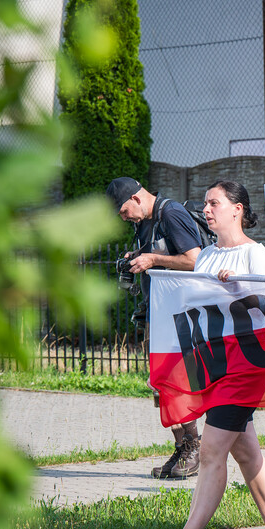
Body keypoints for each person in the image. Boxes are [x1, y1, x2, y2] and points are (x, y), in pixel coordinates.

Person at [146, 180, 265, 529]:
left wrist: (240, 286)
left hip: (246, 366)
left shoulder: (256, 254)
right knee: (244, 449)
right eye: (206, 204)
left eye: (214, 203)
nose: (206, 209)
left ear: (237, 208)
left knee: (212, 451)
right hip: (214, 364)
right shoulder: (207, 255)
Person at [106, 176, 203, 479]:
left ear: (135, 198)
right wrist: (138, 258)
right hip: (157, 313)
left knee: (175, 381)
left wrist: (152, 259)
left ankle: (194, 448)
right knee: (160, 384)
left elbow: (196, 260)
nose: (124, 218)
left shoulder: (170, 213)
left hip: (179, 314)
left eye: (123, 212)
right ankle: (182, 446)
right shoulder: (144, 223)